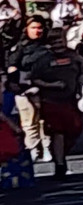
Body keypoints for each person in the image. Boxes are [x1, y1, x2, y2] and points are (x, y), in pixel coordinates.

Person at [23, 20, 83, 179]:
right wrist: (51, 85)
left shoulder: (74, 56)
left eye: (60, 41)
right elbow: (34, 79)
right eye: (54, 42)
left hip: (71, 100)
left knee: (75, 129)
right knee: (58, 132)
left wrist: (81, 86)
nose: (58, 45)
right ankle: (60, 164)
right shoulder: (43, 60)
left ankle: (61, 153)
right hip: (51, 101)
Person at [5, 14, 53, 163]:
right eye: (33, 28)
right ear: (26, 29)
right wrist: (16, 84)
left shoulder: (50, 46)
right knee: (28, 121)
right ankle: (33, 148)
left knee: (45, 120)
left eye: (40, 27)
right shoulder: (20, 47)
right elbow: (12, 66)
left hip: (47, 88)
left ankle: (46, 147)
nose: (37, 31)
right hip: (24, 88)